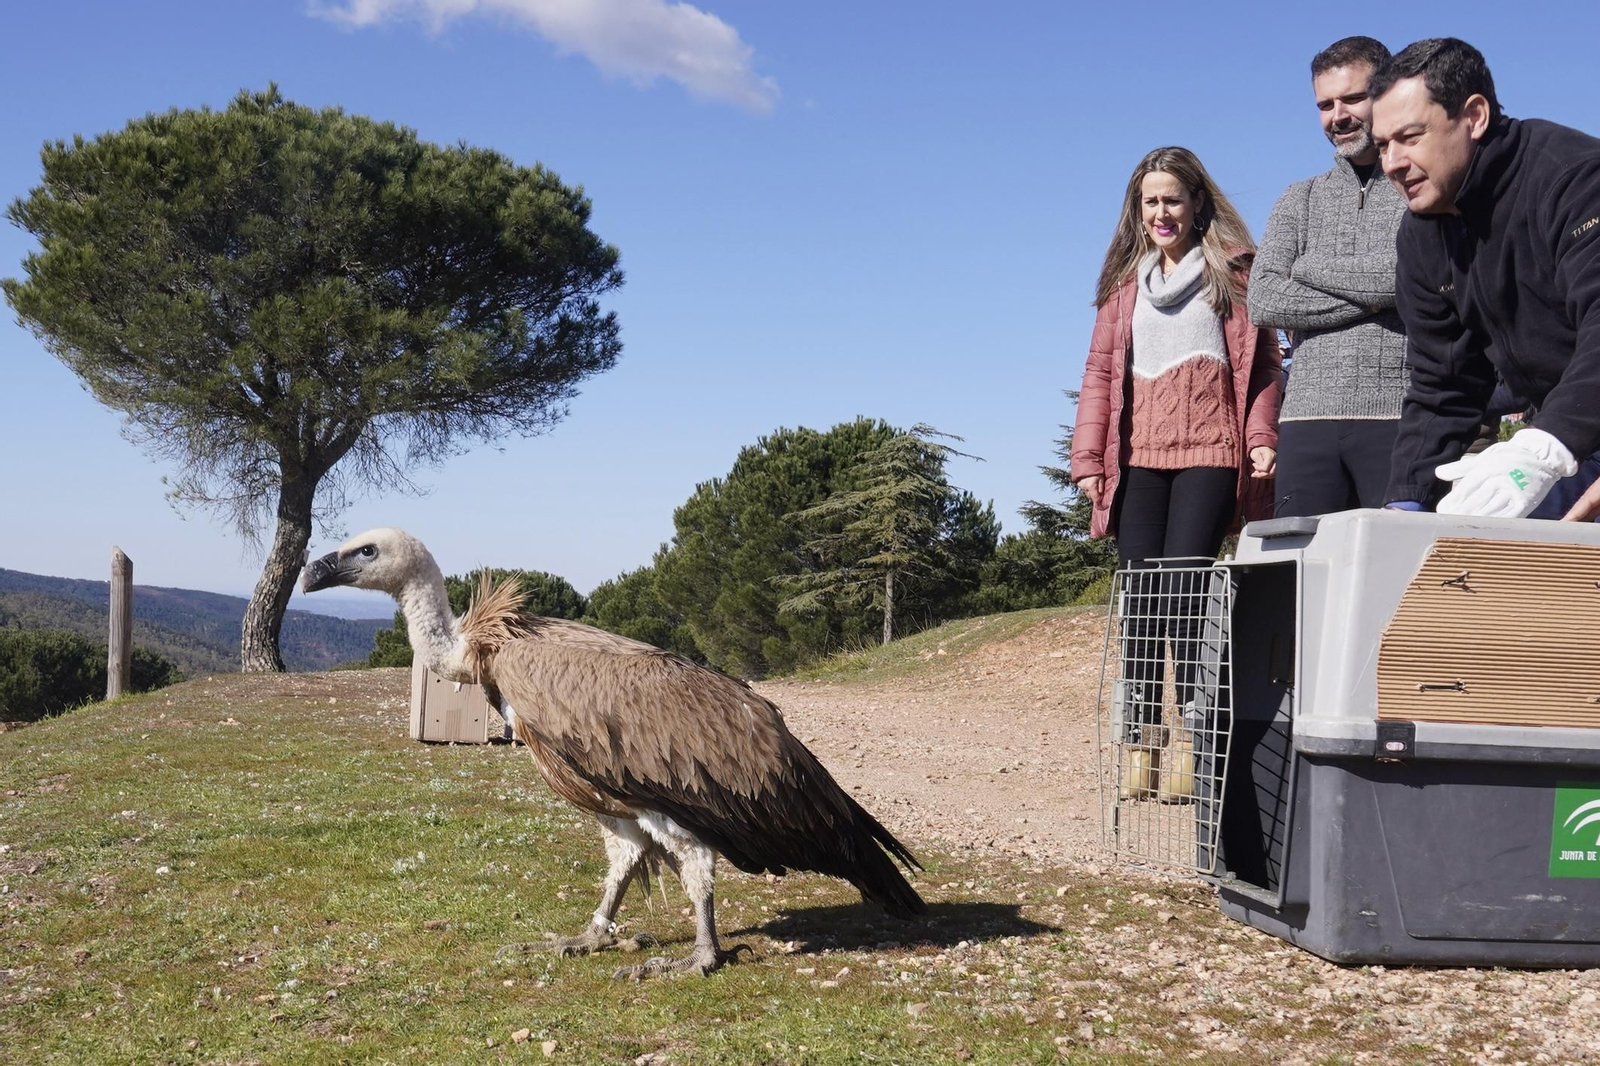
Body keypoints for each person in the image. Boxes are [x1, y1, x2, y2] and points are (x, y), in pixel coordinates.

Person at [1070, 147, 1283, 800]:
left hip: (1209, 455)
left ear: (1196, 204)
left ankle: (1194, 746)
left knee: (1185, 599)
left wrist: (1260, 439)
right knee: (1139, 603)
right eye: (1150, 201)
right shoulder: (1124, 288)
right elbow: (1101, 375)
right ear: (1139, 210)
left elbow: (1265, 369)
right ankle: (1140, 745)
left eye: (1172, 199)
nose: (1161, 212)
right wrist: (1087, 460)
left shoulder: (1235, 275)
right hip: (1138, 460)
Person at [1371, 38, 1600, 518]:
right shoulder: (1421, 236)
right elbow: (1442, 382)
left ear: (1474, 116)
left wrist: (1546, 447)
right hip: (1565, 429)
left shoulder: (1575, 179)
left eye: (1410, 137)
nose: (1391, 163)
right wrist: (1404, 501)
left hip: (1567, 430)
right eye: (1382, 145)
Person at [1248, 36, 1409, 517]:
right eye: (1324, 104)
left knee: (1395, 572)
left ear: (1387, 92)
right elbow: (1264, 298)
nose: (1337, 115)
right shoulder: (1299, 198)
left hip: (1401, 412)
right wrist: (1381, 297)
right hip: (1305, 419)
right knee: (1302, 575)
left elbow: (1409, 278)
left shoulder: (1418, 185)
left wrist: (1308, 267)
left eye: (1352, 98)